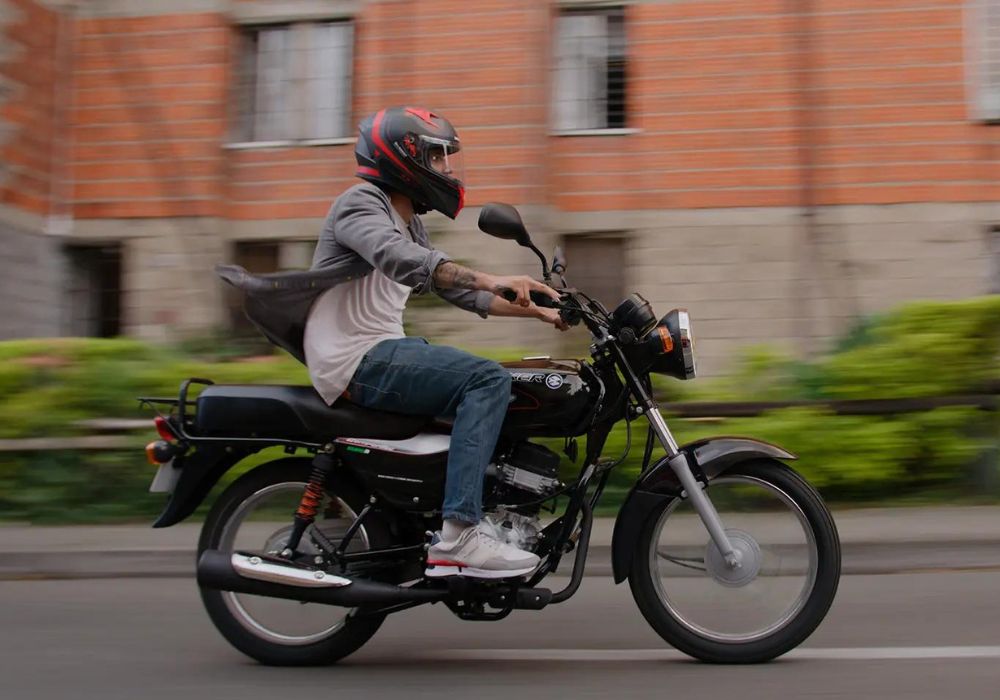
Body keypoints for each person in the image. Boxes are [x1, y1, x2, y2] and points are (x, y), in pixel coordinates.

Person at [220, 106, 566, 579]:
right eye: (439, 158)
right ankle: (460, 535)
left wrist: (542, 310)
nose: (448, 170)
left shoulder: (409, 221)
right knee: (486, 380)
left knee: (496, 382)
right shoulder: (360, 203)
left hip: (380, 351)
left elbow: (459, 290)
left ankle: (454, 512)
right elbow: (401, 259)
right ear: (404, 158)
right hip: (356, 358)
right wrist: (492, 276)